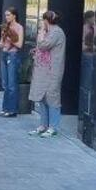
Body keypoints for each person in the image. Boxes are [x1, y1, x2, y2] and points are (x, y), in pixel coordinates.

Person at [29, 9, 66, 138]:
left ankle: (53, 127)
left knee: (52, 97)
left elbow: (44, 45)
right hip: (43, 71)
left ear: (46, 21)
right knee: (42, 97)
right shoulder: (50, 32)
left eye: (43, 20)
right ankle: (43, 125)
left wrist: (40, 34)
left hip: (52, 71)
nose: (42, 23)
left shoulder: (56, 32)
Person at [0, 7, 24, 117]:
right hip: (4, 55)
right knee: (5, 84)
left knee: (12, 84)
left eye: (8, 15)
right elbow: (2, 45)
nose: (6, 17)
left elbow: (20, 45)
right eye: (6, 15)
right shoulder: (5, 27)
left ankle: (12, 110)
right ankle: (5, 109)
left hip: (13, 55)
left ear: (14, 16)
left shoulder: (19, 27)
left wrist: (11, 40)